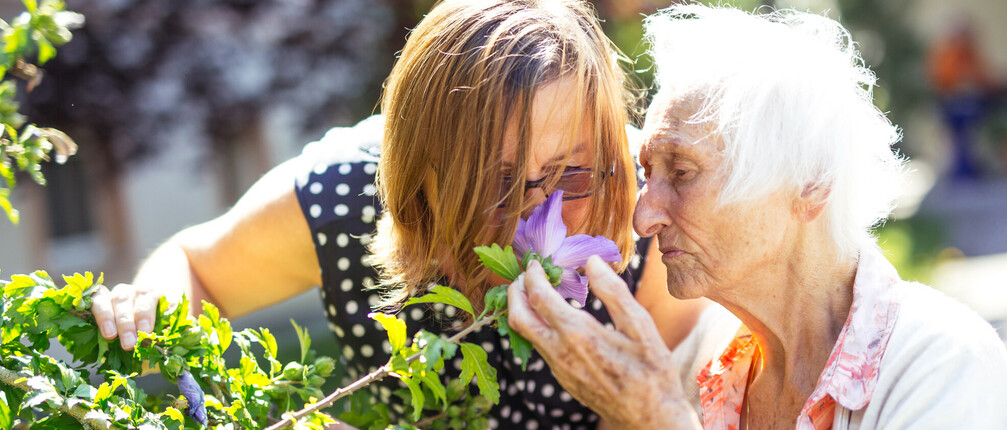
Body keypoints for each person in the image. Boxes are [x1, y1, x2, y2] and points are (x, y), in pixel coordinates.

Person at [87, 0, 707, 428]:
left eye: (571, 171)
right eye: (496, 178)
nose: (539, 209)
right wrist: (152, 316)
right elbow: (194, 265)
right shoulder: (343, 199)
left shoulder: (641, 214)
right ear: (418, 173)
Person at [508, 5, 1007, 429]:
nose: (644, 218)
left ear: (810, 184)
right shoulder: (701, 363)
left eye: (682, 173)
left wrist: (663, 422)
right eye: (648, 173)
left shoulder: (940, 364)